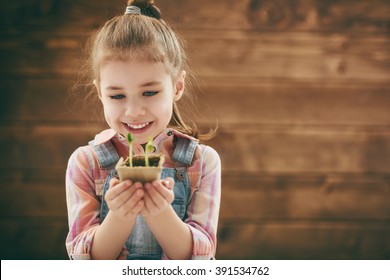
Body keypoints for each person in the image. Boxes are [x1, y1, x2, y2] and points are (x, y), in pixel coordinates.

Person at [65, 0, 221, 260]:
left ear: (178, 87)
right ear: (99, 93)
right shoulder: (85, 163)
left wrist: (159, 211)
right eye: (117, 96)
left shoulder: (202, 162)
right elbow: (84, 262)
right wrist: (120, 215)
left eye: (149, 92)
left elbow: (199, 261)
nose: (133, 111)